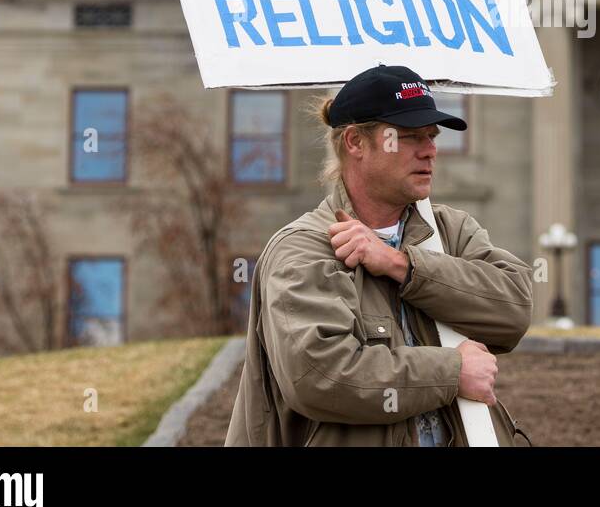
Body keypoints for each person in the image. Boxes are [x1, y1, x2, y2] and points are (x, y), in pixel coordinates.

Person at [225, 65, 533, 446]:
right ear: (355, 142)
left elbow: (513, 309)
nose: (430, 150)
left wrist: (401, 265)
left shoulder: (450, 231)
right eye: (408, 136)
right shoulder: (304, 249)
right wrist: (452, 372)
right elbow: (322, 377)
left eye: (432, 136)